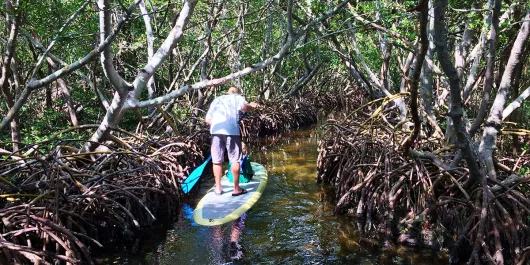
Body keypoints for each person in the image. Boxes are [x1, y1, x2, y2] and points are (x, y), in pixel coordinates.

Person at [205, 87, 259, 196]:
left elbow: (208, 120)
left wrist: (218, 125)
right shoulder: (237, 97)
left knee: (217, 160)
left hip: (215, 131)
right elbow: (244, 107)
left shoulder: (217, 99)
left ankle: (218, 189)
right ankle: (236, 189)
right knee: (235, 159)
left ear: (227, 92)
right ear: (237, 93)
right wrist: (252, 106)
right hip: (231, 131)